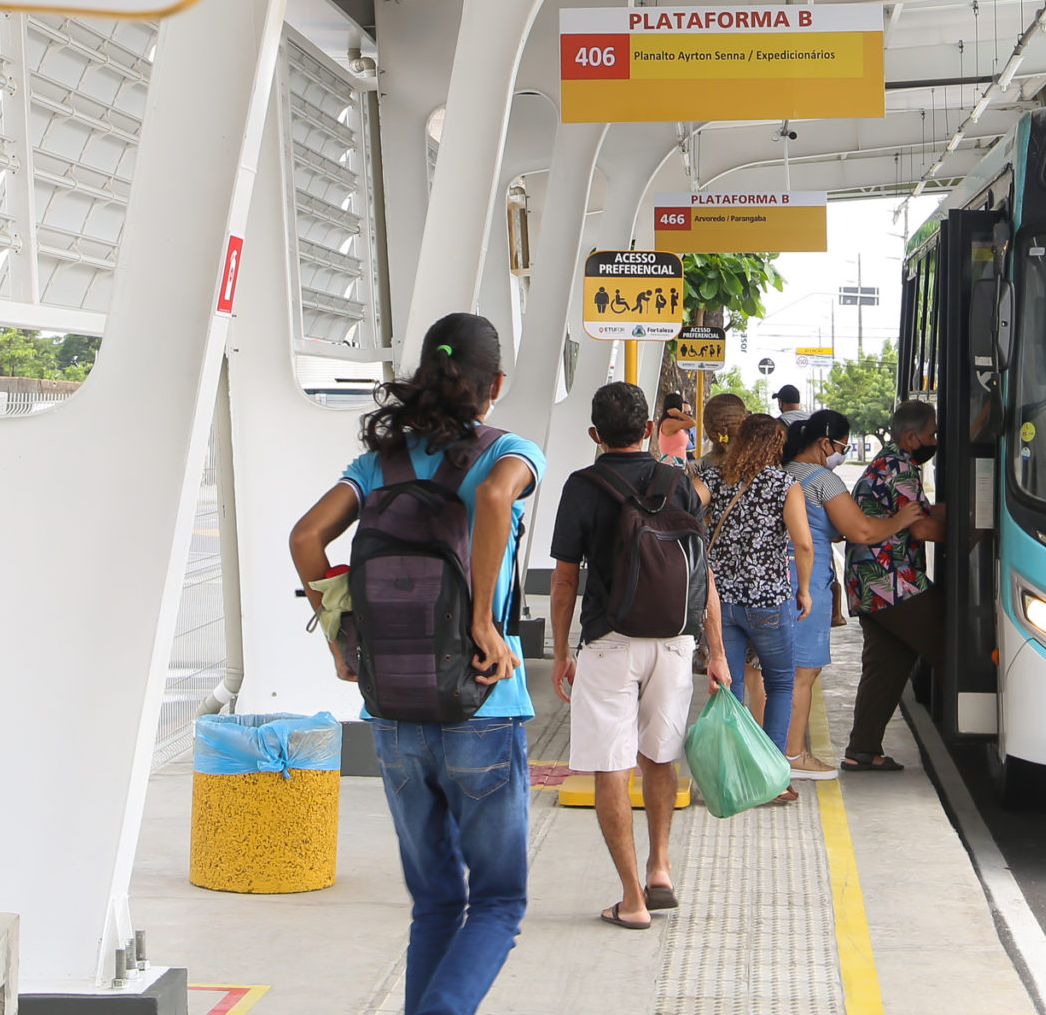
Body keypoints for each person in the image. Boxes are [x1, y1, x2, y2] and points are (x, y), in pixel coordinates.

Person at [288, 314, 543, 1015]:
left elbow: (306, 536)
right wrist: (484, 621)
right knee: (497, 900)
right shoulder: (511, 451)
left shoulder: (378, 465)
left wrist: (343, 640)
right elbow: (495, 496)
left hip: (395, 710)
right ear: (494, 383)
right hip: (483, 706)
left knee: (435, 903)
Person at [549, 382, 727, 930]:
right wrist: (715, 652)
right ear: (650, 429)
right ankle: (660, 868)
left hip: (609, 641)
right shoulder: (682, 484)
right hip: (674, 642)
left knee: (610, 764)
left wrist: (560, 653)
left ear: (594, 434)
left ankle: (631, 900)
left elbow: (563, 581)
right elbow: (703, 574)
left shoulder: (582, 486)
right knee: (660, 755)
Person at [779, 410, 923, 778]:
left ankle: (774, 749)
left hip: (774, 579)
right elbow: (860, 531)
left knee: (775, 671)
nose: (840, 453)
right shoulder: (821, 479)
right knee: (804, 673)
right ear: (825, 443)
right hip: (806, 582)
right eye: (841, 446)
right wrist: (900, 521)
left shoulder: (780, 472)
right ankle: (793, 756)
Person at [695, 413, 813, 775]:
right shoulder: (784, 483)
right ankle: (771, 772)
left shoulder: (712, 477)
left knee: (726, 686)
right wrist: (804, 590)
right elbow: (804, 544)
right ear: (777, 446)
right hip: (767, 602)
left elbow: (681, 509)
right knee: (779, 682)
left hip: (720, 602)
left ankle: (728, 771)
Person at [842, 400, 947, 773]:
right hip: (892, 583)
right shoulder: (901, 467)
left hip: (867, 584)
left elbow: (919, 512)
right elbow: (922, 527)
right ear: (911, 437)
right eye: (932, 434)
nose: (936, 440)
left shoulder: (886, 463)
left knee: (887, 664)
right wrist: (981, 526)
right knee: (951, 643)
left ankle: (863, 750)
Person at [655, 391, 694, 462]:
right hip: (671, 465)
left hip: (679, 464)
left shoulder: (675, 423)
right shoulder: (668, 423)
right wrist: (679, 414)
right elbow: (692, 423)